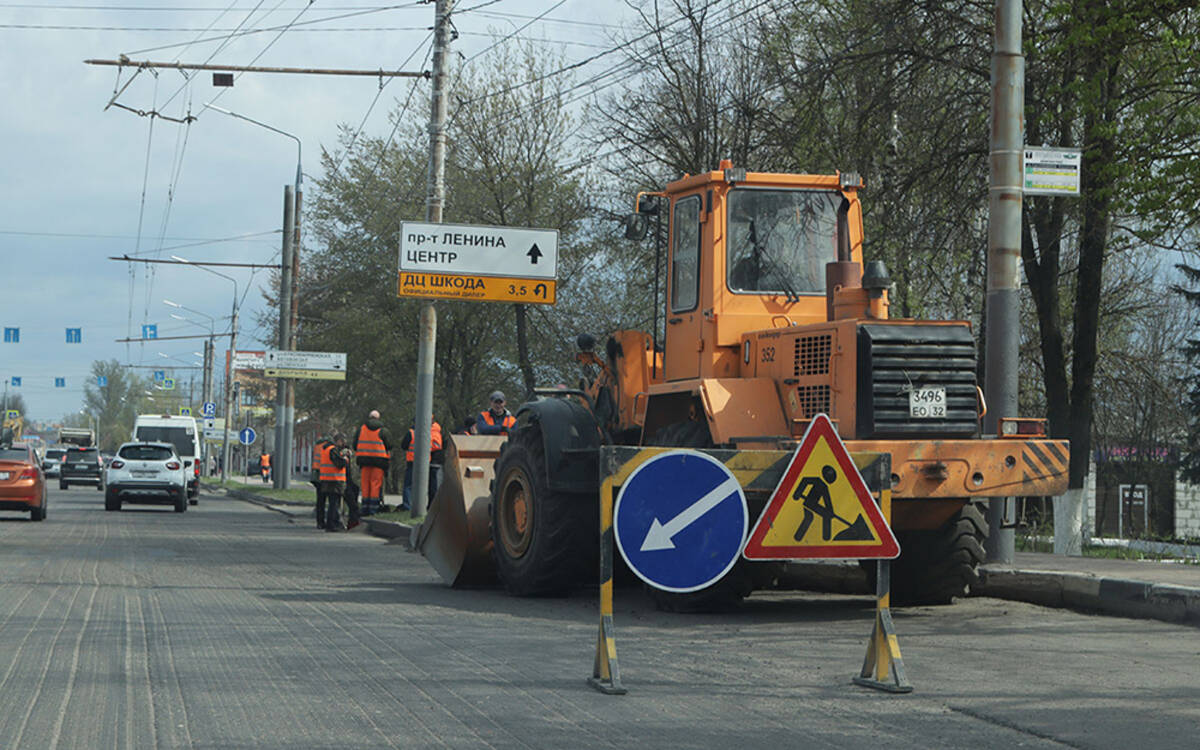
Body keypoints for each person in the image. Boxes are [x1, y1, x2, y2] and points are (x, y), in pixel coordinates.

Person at [353, 409, 394, 517]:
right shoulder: (383, 430)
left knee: (365, 484)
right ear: (378, 418)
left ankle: (364, 507)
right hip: (379, 462)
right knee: (375, 484)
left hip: (364, 461)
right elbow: (389, 445)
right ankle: (373, 508)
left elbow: (354, 445)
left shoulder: (361, 429)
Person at [400, 419, 442, 512]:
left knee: (408, 485)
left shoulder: (411, 432)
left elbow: (403, 446)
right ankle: (420, 506)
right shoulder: (428, 434)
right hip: (424, 462)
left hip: (412, 461)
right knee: (423, 486)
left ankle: (407, 506)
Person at [316, 432, 350, 532]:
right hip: (334, 480)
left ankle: (328, 523)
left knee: (330, 503)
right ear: (338, 441)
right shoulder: (333, 450)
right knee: (334, 503)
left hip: (326, 479)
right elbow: (339, 463)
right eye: (342, 441)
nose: (343, 444)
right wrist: (345, 459)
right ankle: (332, 524)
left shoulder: (325, 449)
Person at [311, 435, 331, 529]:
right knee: (331, 499)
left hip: (316, 475)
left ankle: (320, 522)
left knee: (320, 500)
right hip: (326, 475)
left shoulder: (317, 446)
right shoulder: (329, 446)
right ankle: (330, 521)